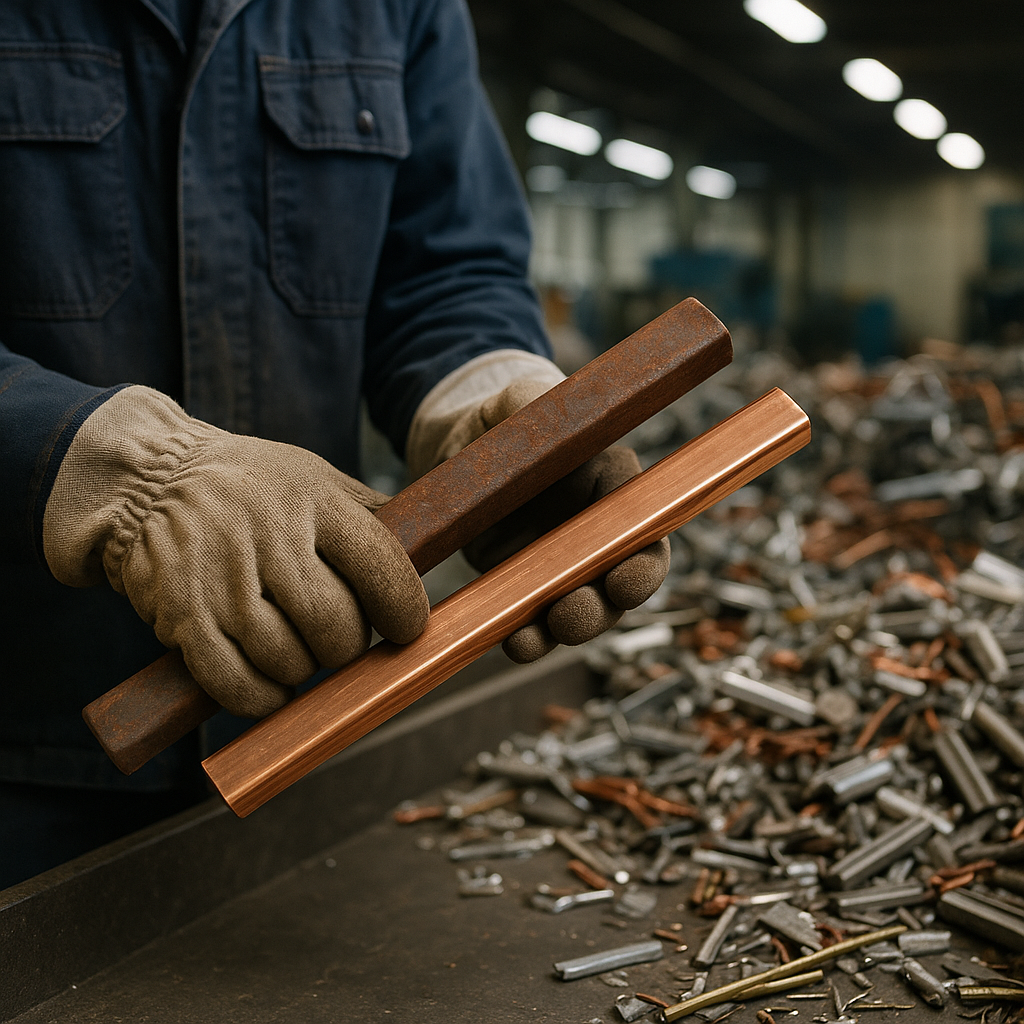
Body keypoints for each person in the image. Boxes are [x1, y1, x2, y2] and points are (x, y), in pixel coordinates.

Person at [0, 0, 669, 888]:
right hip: (21, 754)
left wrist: (491, 419)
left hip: (303, 722)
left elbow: (445, 268)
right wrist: (112, 468)